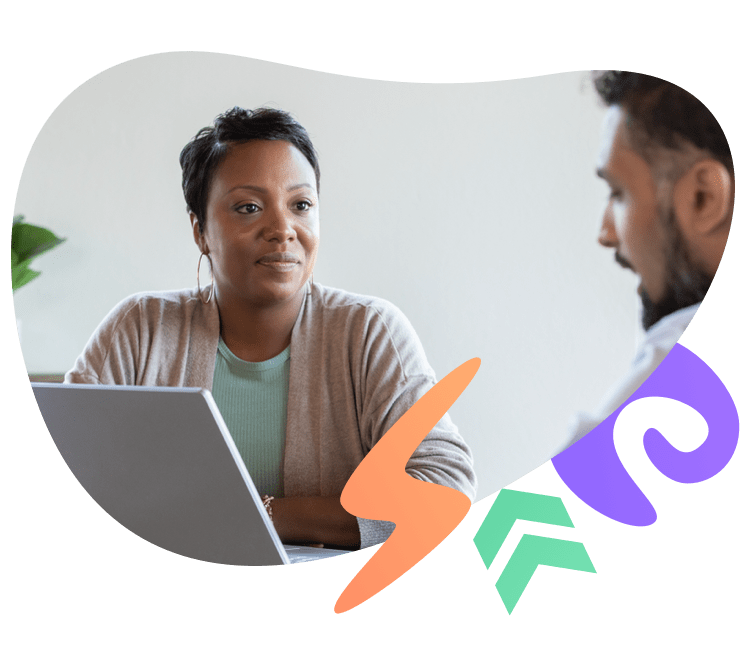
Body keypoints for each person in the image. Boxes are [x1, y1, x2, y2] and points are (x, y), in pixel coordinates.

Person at [65, 107, 477, 550]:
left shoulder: (370, 332)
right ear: (200, 230)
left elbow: (443, 490)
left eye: (301, 205)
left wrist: (264, 515)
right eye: (249, 207)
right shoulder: (140, 329)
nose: (283, 229)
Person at [561, 71, 735, 449]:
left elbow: (549, 509)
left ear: (703, 197)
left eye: (618, 193)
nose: (606, 233)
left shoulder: (692, 374)